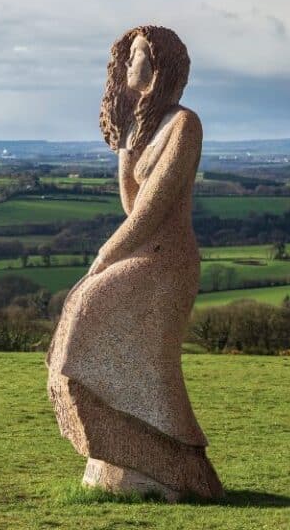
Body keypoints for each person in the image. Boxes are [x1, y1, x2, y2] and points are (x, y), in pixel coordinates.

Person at [46, 25, 223, 500]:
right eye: (125, 58)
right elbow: (130, 199)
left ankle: (173, 460)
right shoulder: (141, 127)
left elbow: (150, 210)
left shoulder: (186, 125)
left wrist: (104, 256)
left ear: (160, 63)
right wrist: (128, 136)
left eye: (138, 55)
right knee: (84, 307)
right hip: (143, 253)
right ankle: (116, 446)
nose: (129, 65)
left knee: (90, 305)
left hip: (169, 262)